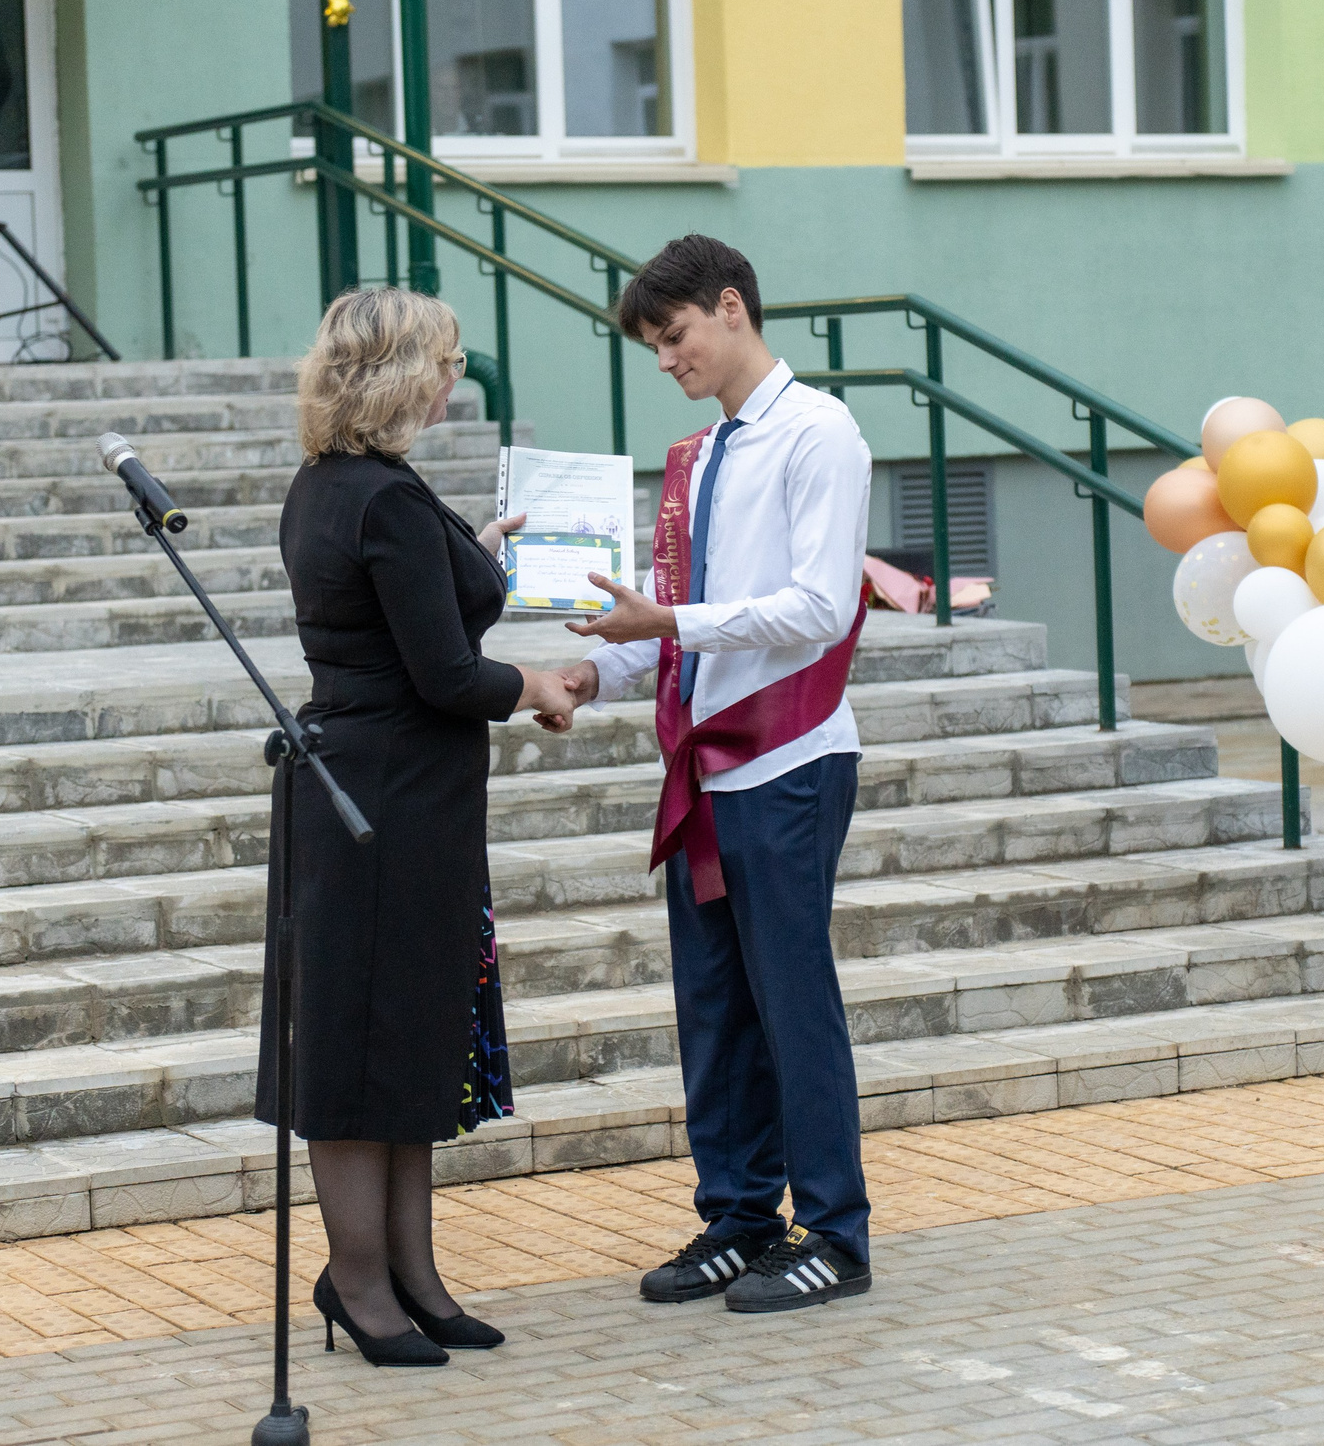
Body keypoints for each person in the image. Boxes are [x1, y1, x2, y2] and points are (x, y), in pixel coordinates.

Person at [551, 234, 877, 1313]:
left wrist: (671, 619)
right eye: (653, 343)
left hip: (786, 759)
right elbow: (671, 619)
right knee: (715, 1005)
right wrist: (593, 667)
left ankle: (834, 1229)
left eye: (673, 334)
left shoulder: (817, 433)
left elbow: (822, 606)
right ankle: (738, 1216)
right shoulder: (702, 456)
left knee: (792, 1002)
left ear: (731, 308)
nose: (664, 359)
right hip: (708, 770)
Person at [267, 287, 583, 1366]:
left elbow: (394, 620)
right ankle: (359, 1282)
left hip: (389, 791)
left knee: (405, 1034)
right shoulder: (385, 499)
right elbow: (443, 673)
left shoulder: (334, 486)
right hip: (386, 800)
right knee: (363, 1044)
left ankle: (413, 1274)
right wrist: (537, 679)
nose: (456, 377)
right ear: (401, 372)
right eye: (444, 361)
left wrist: (475, 552)